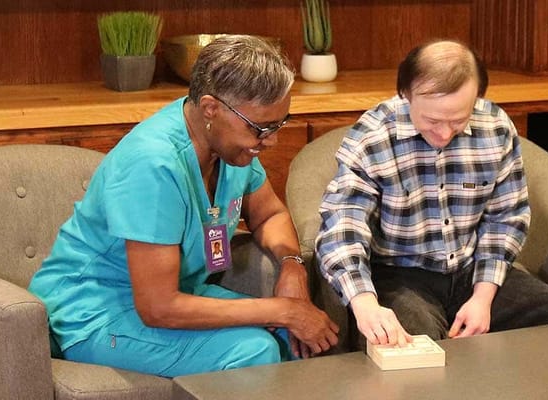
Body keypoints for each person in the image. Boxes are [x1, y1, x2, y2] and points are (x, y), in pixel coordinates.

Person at [30, 35, 339, 377]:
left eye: (279, 124)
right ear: (210, 109)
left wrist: (292, 267)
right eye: (261, 128)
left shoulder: (230, 146)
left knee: (294, 338)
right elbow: (158, 307)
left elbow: (269, 214)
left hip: (180, 295)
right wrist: (282, 310)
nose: (272, 140)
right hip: (96, 313)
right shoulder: (152, 164)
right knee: (255, 350)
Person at [315, 39, 548, 349]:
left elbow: (505, 218)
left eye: (458, 120)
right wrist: (365, 304)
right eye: (432, 121)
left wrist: (482, 298)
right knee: (412, 347)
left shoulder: (495, 127)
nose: (444, 134)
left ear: (477, 98)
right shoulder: (373, 136)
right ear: (406, 94)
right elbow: (343, 224)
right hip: (400, 275)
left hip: (471, 271)